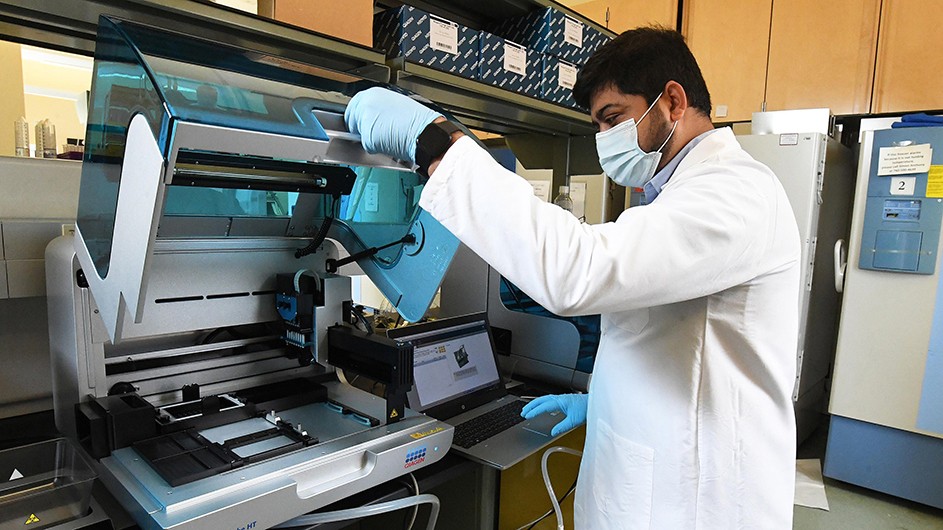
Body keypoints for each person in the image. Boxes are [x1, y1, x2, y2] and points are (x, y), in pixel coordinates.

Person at [345, 26, 800, 530]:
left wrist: (439, 145)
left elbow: (579, 272)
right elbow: (681, 339)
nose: (605, 142)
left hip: (697, 501)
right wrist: (601, 400)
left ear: (673, 101)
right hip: (660, 471)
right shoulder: (681, 195)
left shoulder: (735, 193)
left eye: (613, 119)